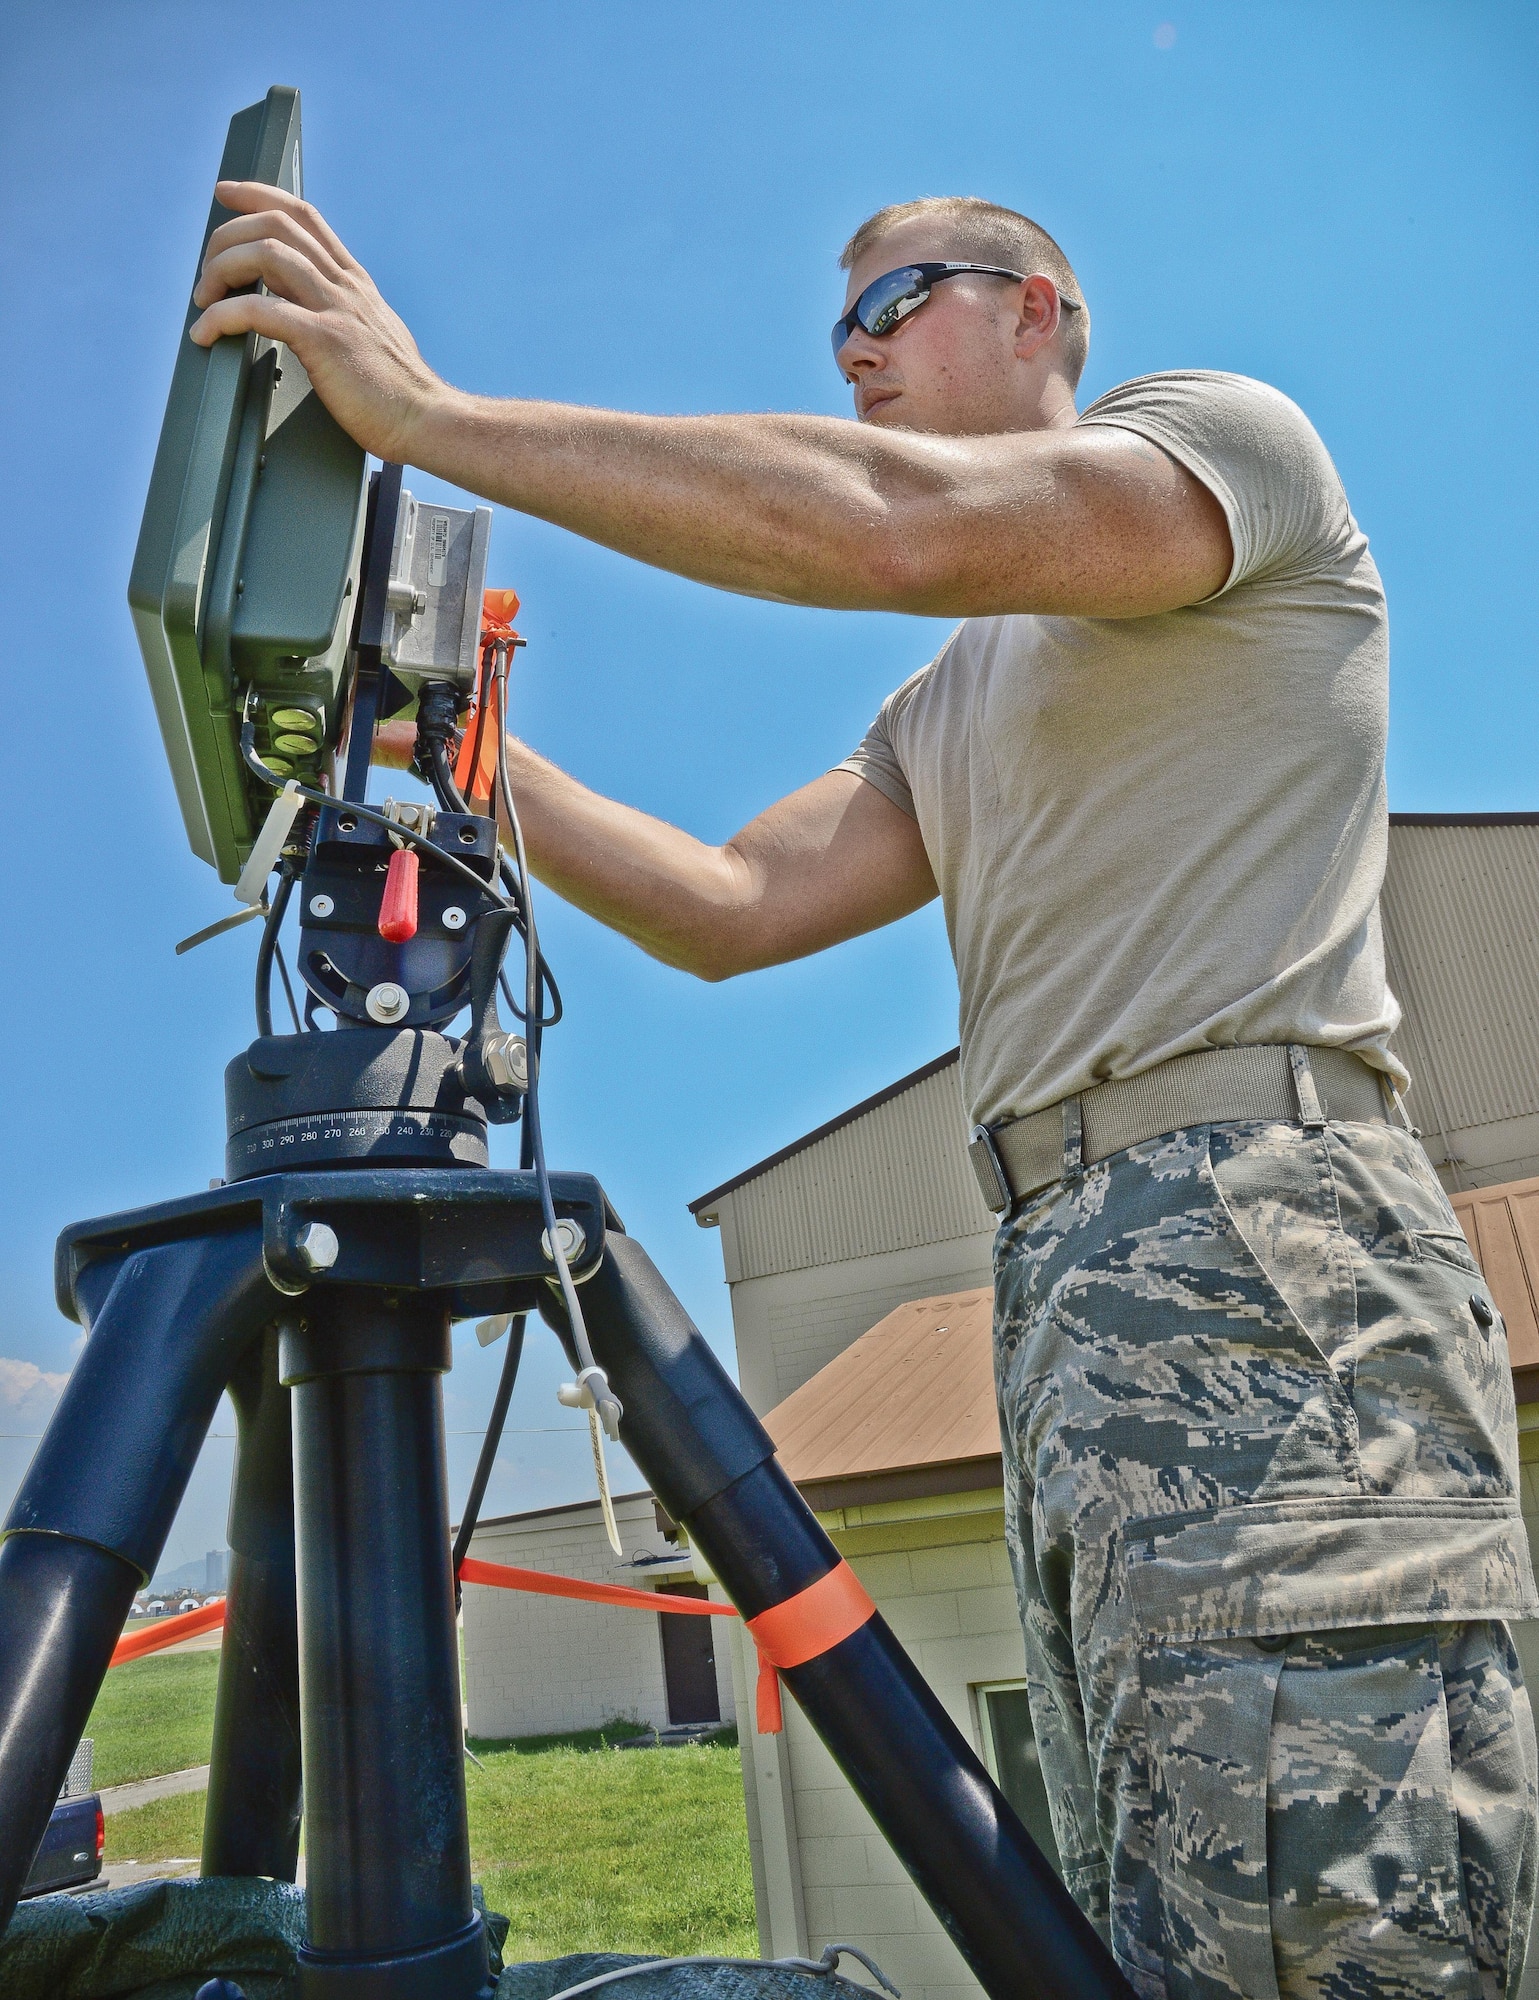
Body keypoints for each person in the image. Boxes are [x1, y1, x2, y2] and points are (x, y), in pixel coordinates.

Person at [190, 185, 1538, 1999]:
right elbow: (729, 908)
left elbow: (898, 523)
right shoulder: (948, 701)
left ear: (1041, 309)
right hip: (1071, 1285)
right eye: (838, 326)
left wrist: (428, 420)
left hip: (1266, 1244)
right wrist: (456, 744)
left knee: (1338, 1918)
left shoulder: (1223, 449)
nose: (856, 350)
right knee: (1181, 1909)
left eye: (896, 301)